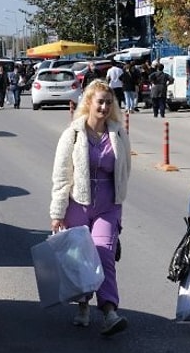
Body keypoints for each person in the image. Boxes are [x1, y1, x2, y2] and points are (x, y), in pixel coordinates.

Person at [49, 80, 132, 336]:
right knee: (82, 259)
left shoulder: (118, 134)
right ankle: (83, 305)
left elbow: (125, 170)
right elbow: (61, 175)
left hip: (108, 205)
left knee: (104, 255)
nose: (105, 107)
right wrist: (57, 212)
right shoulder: (73, 133)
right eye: (100, 102)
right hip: (78, 203)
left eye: (109, 102)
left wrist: (119, 200)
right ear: (89, 103)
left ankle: (109, 311)